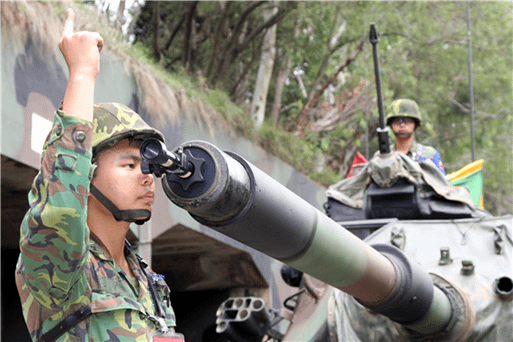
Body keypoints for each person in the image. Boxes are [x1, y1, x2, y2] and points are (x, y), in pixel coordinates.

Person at [15, 9, 182, 342]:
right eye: (129, 165)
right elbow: (62, 200)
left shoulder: (147, 280)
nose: (147, 177)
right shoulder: (62, 267)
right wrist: (82, 74)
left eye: (147, 167)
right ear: (86, 173)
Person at [385, 98, 445, 175]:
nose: (402, 124)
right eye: (397, 120)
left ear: (416, 125)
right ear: (391, 125)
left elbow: (442, 184)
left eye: (407, 121)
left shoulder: (430, 154)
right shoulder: (383, 156)